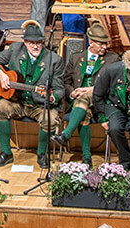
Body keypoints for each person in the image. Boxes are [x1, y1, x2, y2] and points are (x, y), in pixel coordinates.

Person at [0, 20, 64, 168]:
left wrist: (53, 97)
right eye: (31, 43)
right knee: (1, 108)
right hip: (17, 101)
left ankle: (42, 154)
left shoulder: (54, 60)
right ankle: (6, 153)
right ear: (25, 42)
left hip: (40, 104)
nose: (35, 46)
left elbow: (60, 89)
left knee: (50, 119)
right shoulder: (15, 49)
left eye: (38, 43)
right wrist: (0, 74)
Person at [51, 22, 119, 166]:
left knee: (84, 97)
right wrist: (72, 92)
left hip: (101, 102)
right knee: (83, 109)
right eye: (101, 44)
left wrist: (89, 90)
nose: (105, 47)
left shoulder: (112, 59)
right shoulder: (76, 58)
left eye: (106, 44)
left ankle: (66, 134)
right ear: (91, 42)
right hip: (79, 104)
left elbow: (113, 85)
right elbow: (66, 81)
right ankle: (86, 157)